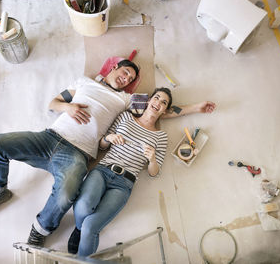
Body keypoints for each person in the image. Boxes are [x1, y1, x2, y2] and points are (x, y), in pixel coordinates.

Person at [0, 58, 214, 247]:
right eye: (125, 72)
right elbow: (53, 103)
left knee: (67, 194)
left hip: (77, 154)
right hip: (47, 138)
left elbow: (159, 109)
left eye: (130, 79)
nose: (126, 78)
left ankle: (40, 230)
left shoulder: (125, 100)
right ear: (114, 67)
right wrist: (68, 107)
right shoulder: (84, 82)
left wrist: (196, 107)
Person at [67, 87, 215, 256]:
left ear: (165, 110)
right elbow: (101, 145)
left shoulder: (161, 137)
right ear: (149, 101)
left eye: (163, 102)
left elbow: (154, 173)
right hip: (102, 170)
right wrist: (109, 138)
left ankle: (82, 239)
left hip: (123, 184)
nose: (158, 102)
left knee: (90, 226)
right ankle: (78, 230)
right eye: (157, 98)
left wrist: (152, 158)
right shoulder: (125, 116)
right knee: (83, 208)